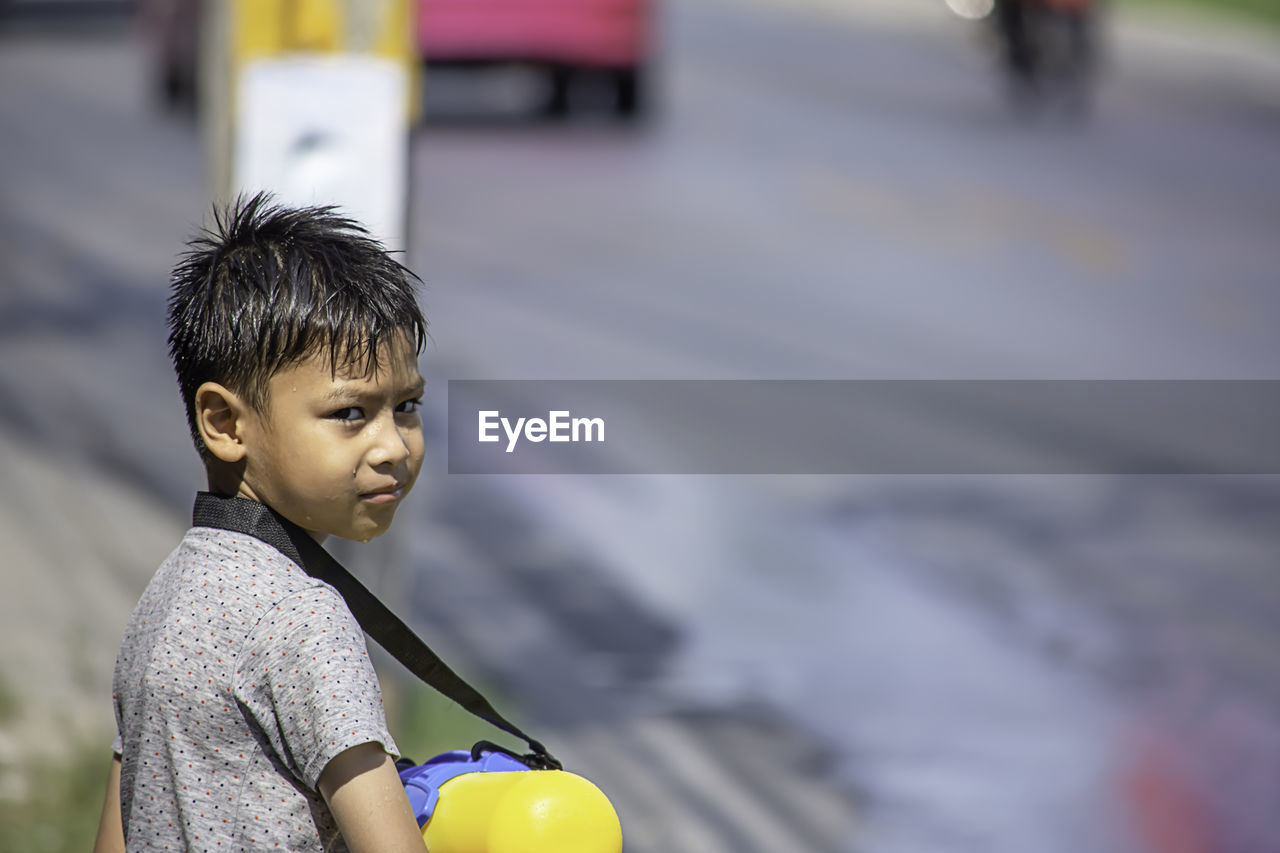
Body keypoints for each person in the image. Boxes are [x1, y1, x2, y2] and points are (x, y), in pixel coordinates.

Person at [93, 192, 431, 853]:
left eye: (407, 405)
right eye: (351, 413)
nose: (393, 444)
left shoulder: (164, 601)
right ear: (224, 423)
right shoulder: (304, 618)